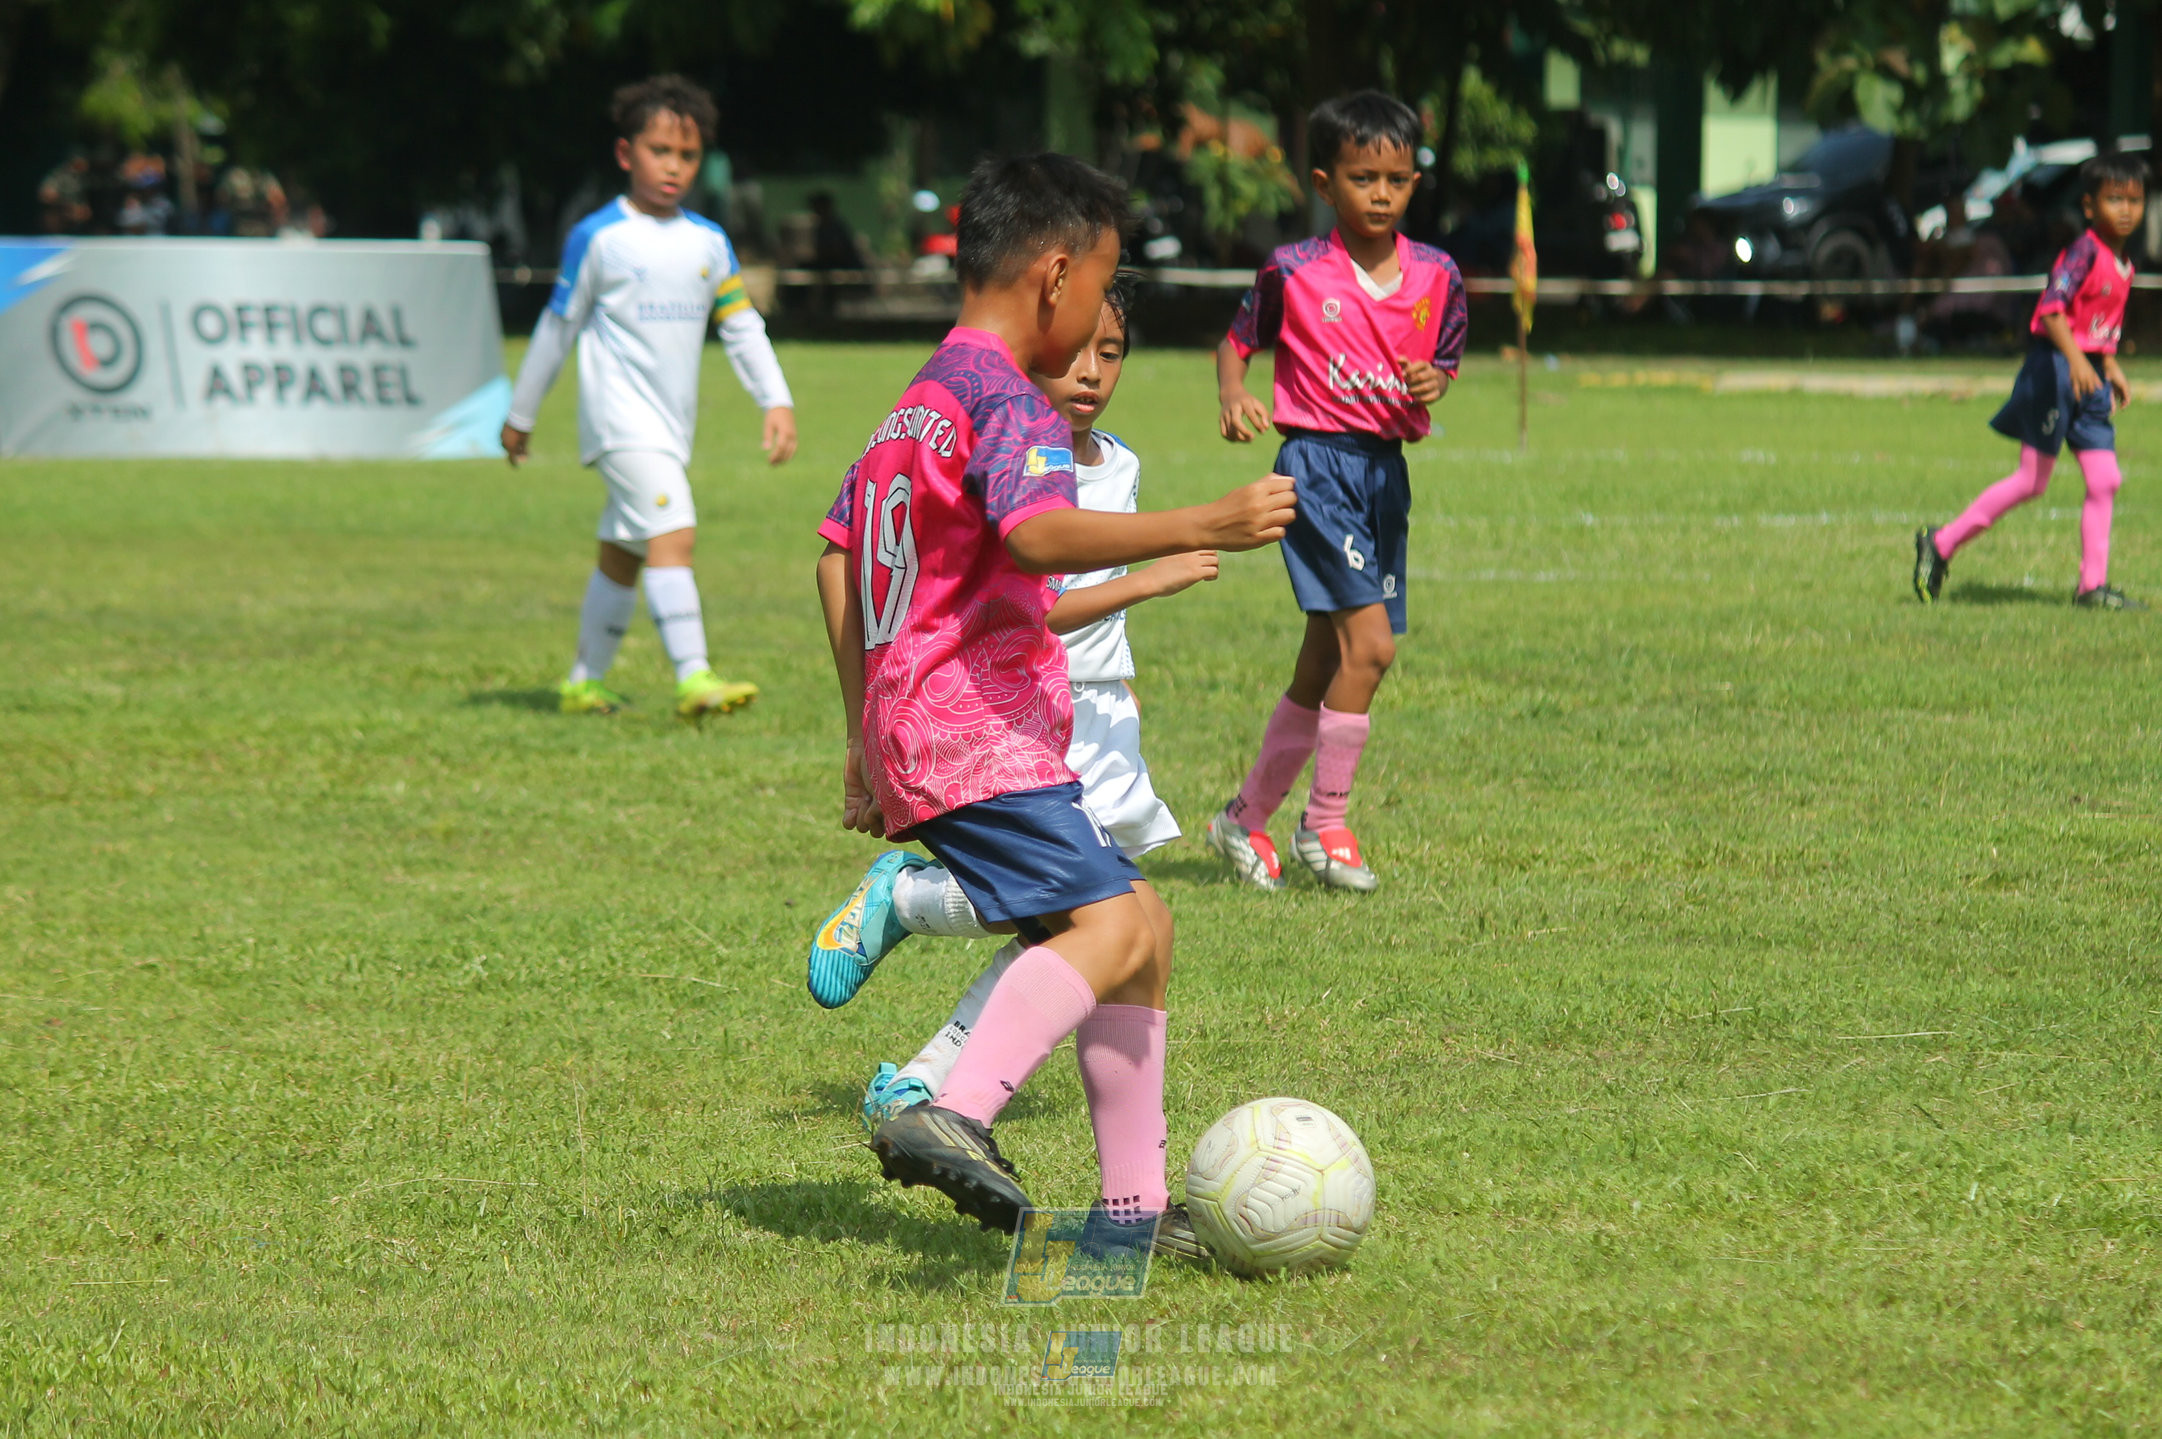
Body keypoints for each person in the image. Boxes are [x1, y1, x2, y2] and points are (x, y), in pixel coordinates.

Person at [812, 153, 1296, 1242]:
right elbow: (1037, 534)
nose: (1088, 326)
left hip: (921, 727)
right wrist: (1201, 522)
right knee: (1114, 920)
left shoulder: (918, 398)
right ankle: (956, 1105)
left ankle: (1129, 1212)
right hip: (979, 733)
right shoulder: (1008, 396)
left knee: (1145, 928)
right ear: (1055, 275)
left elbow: (835, 558)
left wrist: (859, 731)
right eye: (1098, 287)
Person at [804, 279, 1213, 1140]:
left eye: (1112, 353)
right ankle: (927, 1033)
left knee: (1103, 923)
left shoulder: (1117, 461)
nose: (1091, 372)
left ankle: (1121, 1203)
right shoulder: (1006, 437)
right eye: (1075, 350)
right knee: (1098, 921)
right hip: (1005, 720)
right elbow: (1036, 599)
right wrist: (1160, 566)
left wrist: (1117, 683)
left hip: (1091, 716)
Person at [1208, 90, 1468, 893]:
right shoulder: (1294, 271)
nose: (1381, 193)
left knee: (1327, 655)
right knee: (1374, 648)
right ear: (1327, 184)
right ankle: (1326, 824)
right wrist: (1233, 393)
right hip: (1315, 469)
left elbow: (1444, 364)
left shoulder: (1438, 275)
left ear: (1415, 182)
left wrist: (1435, 379)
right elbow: (1235, 340)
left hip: (1384, 473)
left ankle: (1243, 817)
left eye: (1396, 177)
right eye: (1363, 178)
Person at [504, 75, 799, 719]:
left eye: (687, 155)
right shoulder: (599, 238)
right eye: (659, 150)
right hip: (619, 425)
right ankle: (694, 677)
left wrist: (775, 400)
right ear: (624, 154)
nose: (673, 166)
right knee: (674, 532)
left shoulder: (707, 243)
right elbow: (557, 328)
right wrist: (521, 414)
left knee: (624, 551)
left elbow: (742, 327)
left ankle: (583, 682)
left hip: (670, 427)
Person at [1915, 153, 2148, 610]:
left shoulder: (2124, 262)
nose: (2125, 209)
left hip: (2089, 374)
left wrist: (2109, 366)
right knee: (2032, 481)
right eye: (2114, 199)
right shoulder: (2083, 251)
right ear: (2088, 206)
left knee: (2105, 479)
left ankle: (2091, 588)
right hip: (2056, 371)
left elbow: (2098, 322)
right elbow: (2051, 310)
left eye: (2135, 200)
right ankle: (1940, 543)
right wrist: (2078, 361)